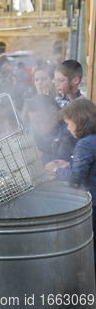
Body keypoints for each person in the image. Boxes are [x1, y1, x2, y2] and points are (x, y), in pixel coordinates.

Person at [45, 99, 96, 257]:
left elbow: (76, 177)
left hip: (92, 203)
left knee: (90, 245)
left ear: (79, 121)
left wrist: (56, 169)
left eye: (68, 122)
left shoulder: (84, 144)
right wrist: (68, 164)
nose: (67, 127)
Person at [25, 95, 77, 164]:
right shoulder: (40, 130)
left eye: (40, 122)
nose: (36, 126)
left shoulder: (68, 130)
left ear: (54, 115)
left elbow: (63, 161)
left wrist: (40, 155)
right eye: (33, 122)